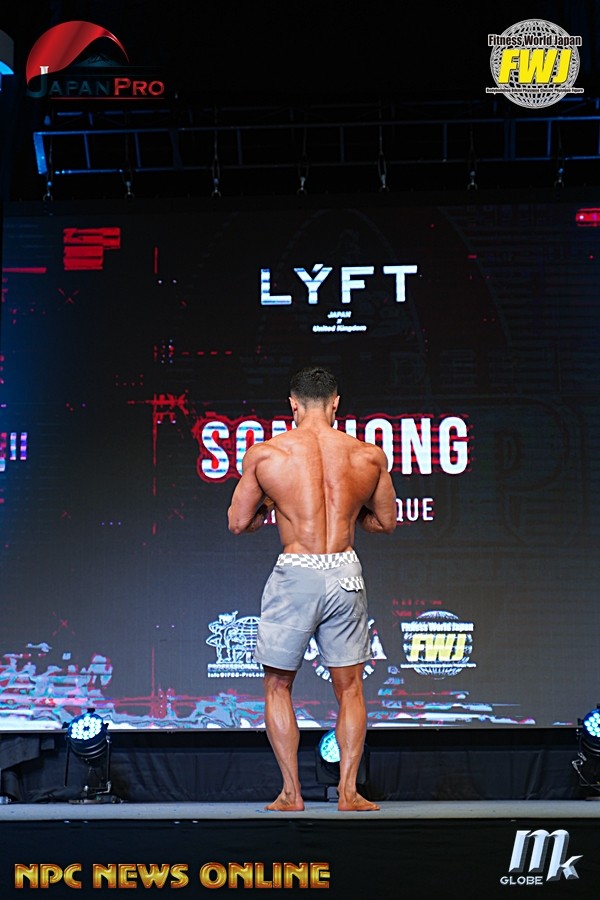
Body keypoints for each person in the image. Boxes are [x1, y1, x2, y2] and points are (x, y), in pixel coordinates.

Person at [227, 366, 397, 811]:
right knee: (351, 688)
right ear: (336, 404)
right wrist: (350, 515)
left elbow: (239, 522)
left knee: (277, 686)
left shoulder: (267, 455)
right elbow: (385, 522)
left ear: (293, 404)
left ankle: (291, 792)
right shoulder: (368, 456)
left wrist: (272, 506)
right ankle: (348, 792)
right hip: (345, 572)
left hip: (296, 572)